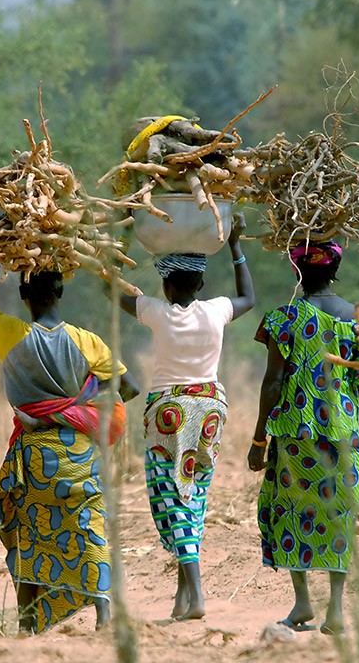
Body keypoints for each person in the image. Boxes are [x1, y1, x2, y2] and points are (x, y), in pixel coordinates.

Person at [0, 259, 141, 634]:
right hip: (79, 454)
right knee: (89, 528)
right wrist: (79, 404)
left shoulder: (10, 334)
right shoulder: (86, 341)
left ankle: (28, 624)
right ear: (61, 291)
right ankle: (104, 616)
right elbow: (130, 388)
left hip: (34, 456)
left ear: (23, 295)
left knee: (32, 535)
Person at [119, 213, 254, 621]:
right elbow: (248, 297)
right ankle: (182, 598)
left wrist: (125, 235)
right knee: (193, 495)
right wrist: (234, 245)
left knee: (172, 498)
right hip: (211, 408)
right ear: (200, 284)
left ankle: (196, 595)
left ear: (165, 284)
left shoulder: (156, 311)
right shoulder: (217, 310)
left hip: (169, 412)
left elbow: (111, 287)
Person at [247, 240, 359, 635]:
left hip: (294, 434)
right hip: (341, 433)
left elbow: (272, 384)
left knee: (292, 509)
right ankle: (334, 610)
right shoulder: (357, 320)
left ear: (297, 272)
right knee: (338, 512)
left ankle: (302, 601)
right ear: (335, 270)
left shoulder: (282, 319)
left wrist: (258, 440)